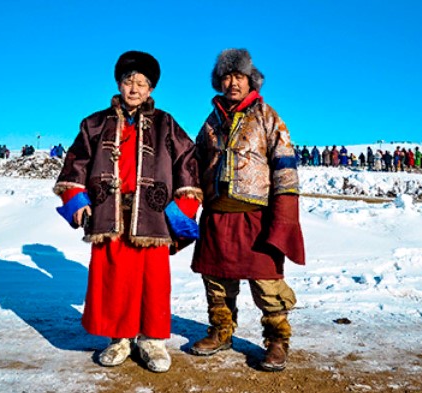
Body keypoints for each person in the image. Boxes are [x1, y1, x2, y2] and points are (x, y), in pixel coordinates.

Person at [53, 51, 202, 372]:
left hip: (153, 216)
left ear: (151, 89)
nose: (134, 89)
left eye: (141, 83)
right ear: (119, 84)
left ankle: (152, 340)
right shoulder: (94, 124)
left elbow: (188, 164)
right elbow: (75, 165)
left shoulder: (166, 124)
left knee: (153, 282)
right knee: (113, 279)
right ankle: (119, 338)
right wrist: (78, 203)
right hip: (109, 214)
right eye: (128, 82)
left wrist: (182, 210)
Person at [192, 49, 305, 372]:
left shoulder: (269, 117)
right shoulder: (211, 122)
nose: (232, 83)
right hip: (216, 213)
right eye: (226, 76)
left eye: (238, 76)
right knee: (216, 279)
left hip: (256, 215)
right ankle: (221, 331)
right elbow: (196, 164)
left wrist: (284, 216)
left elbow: (285, 168)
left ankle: (277, 340)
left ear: (250, 80)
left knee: (267, 282)